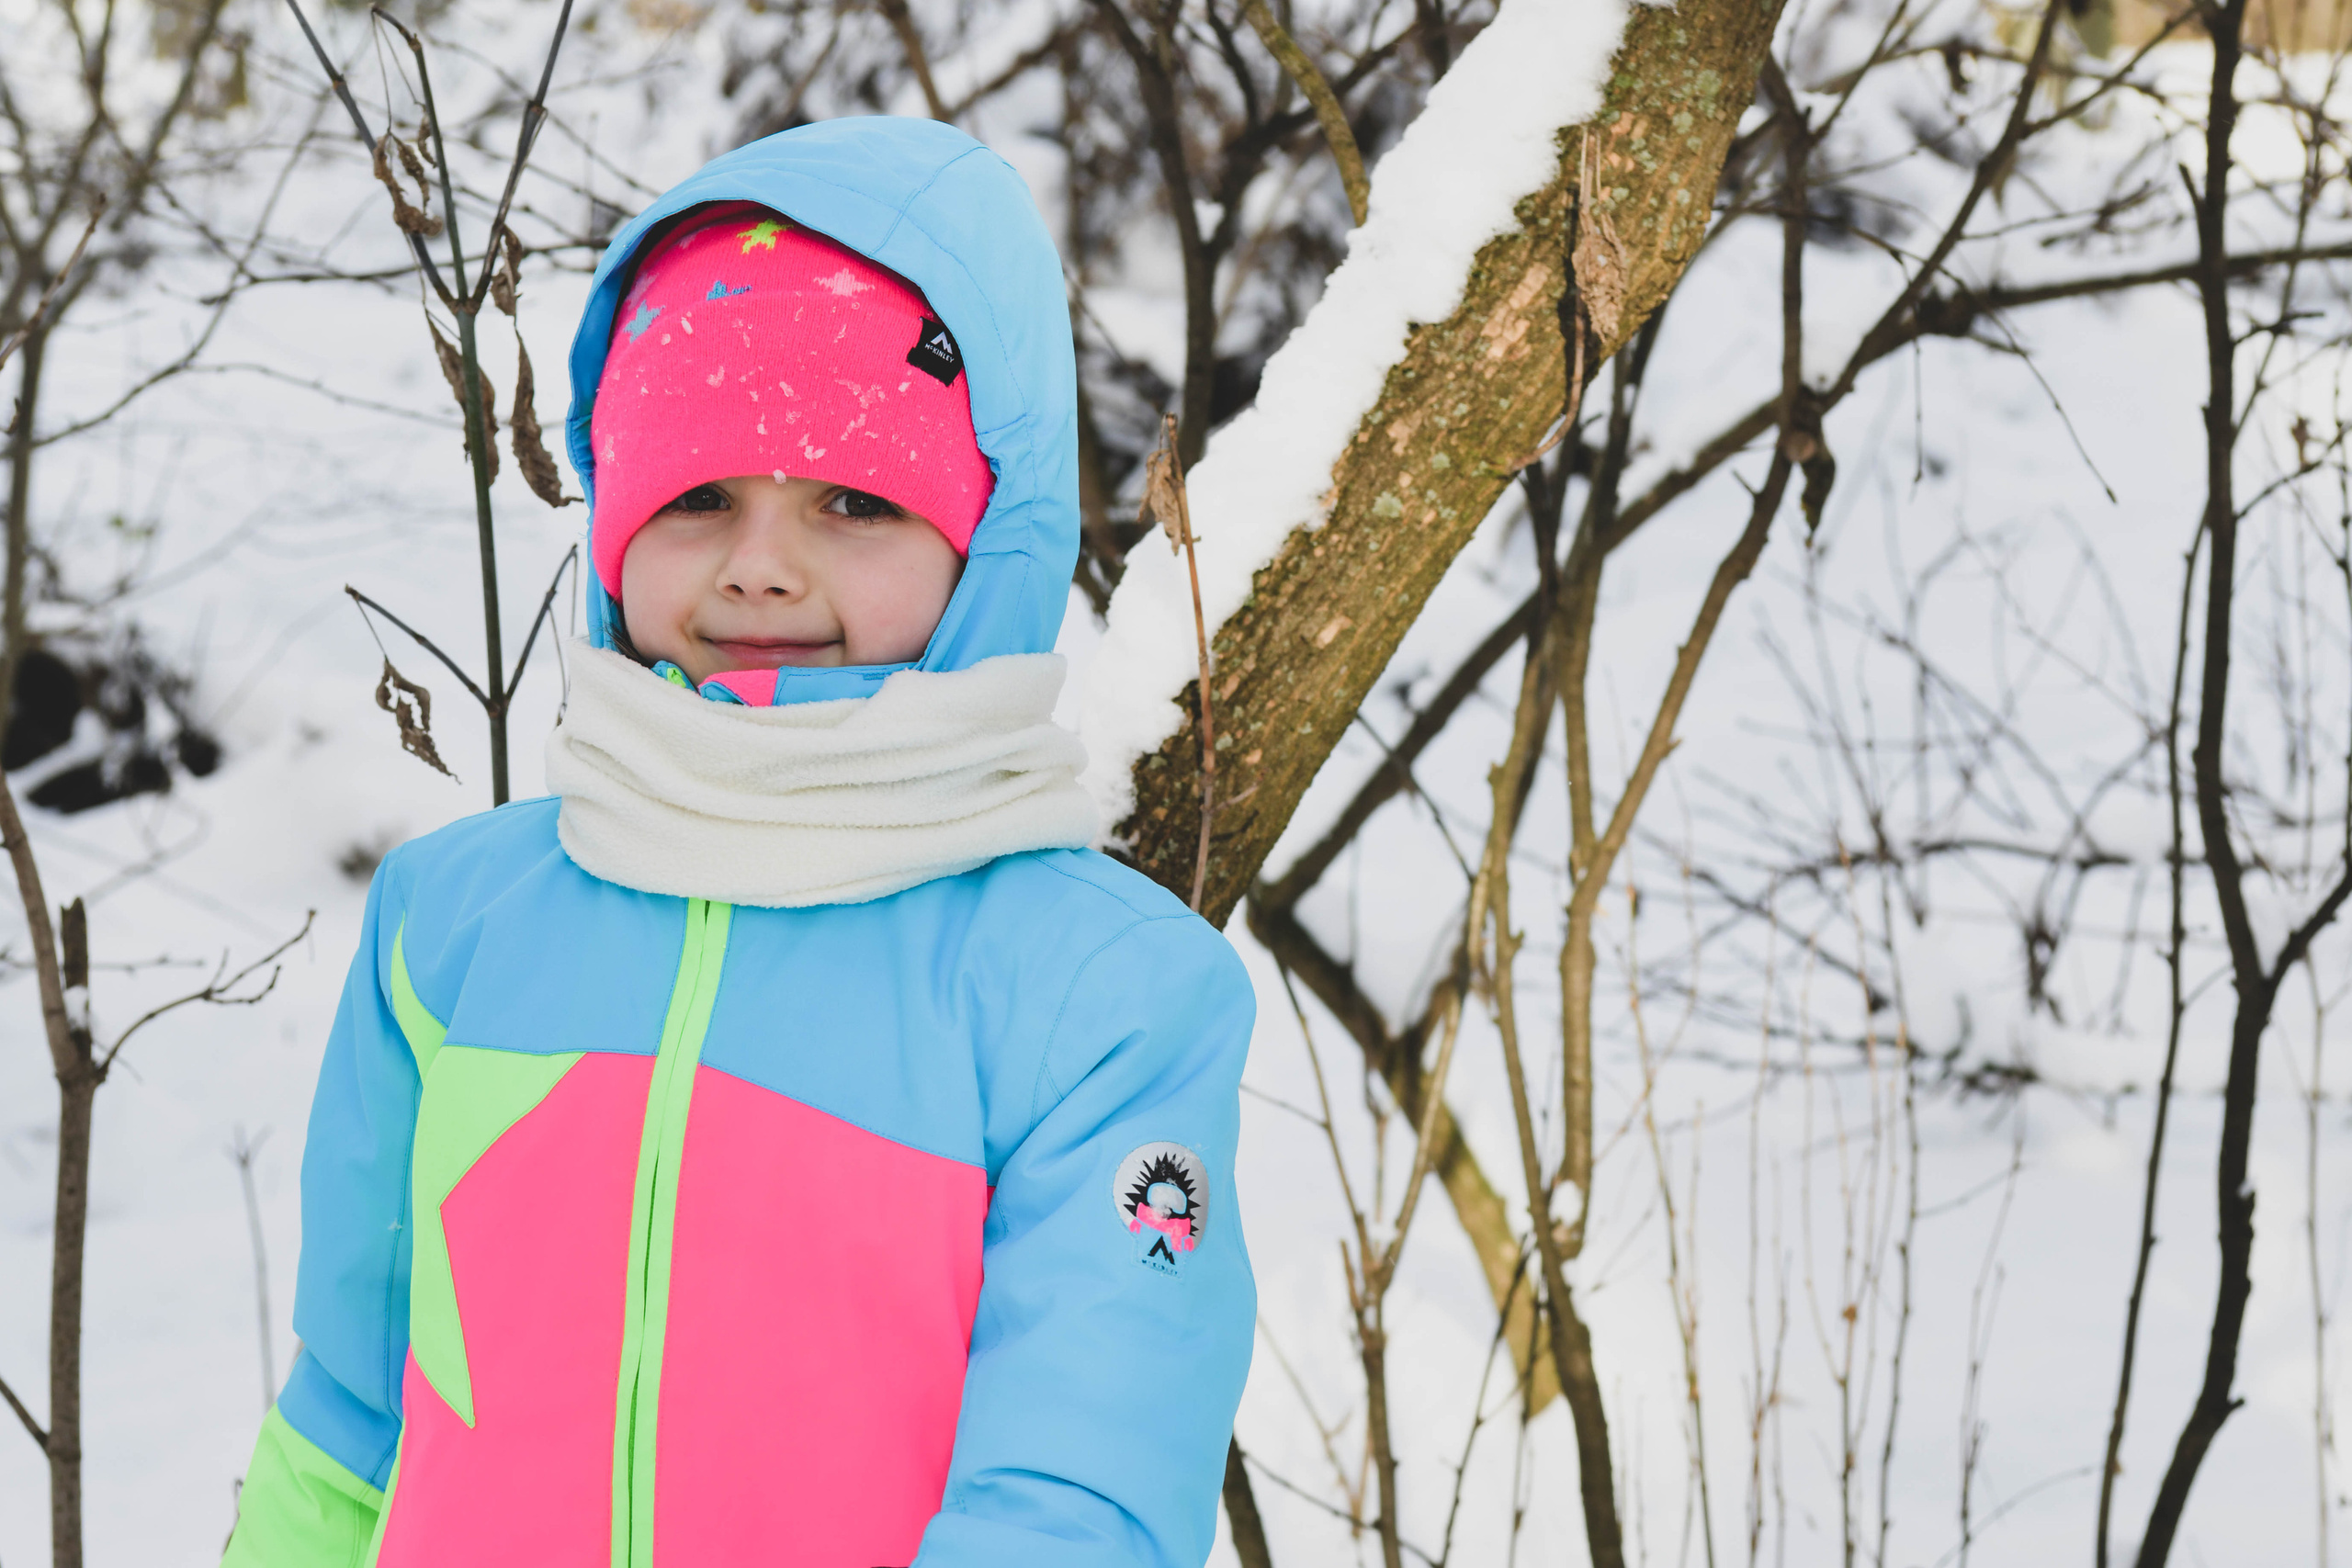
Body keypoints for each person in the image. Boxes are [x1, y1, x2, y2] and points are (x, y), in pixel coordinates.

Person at [222, 116, 1257, 1568]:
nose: (762, 563)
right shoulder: (455, 927)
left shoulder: (1095, 993)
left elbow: (1078, 1498)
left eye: (855, 501)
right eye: (700, 495)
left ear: (990, 536)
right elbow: (349, 1414)